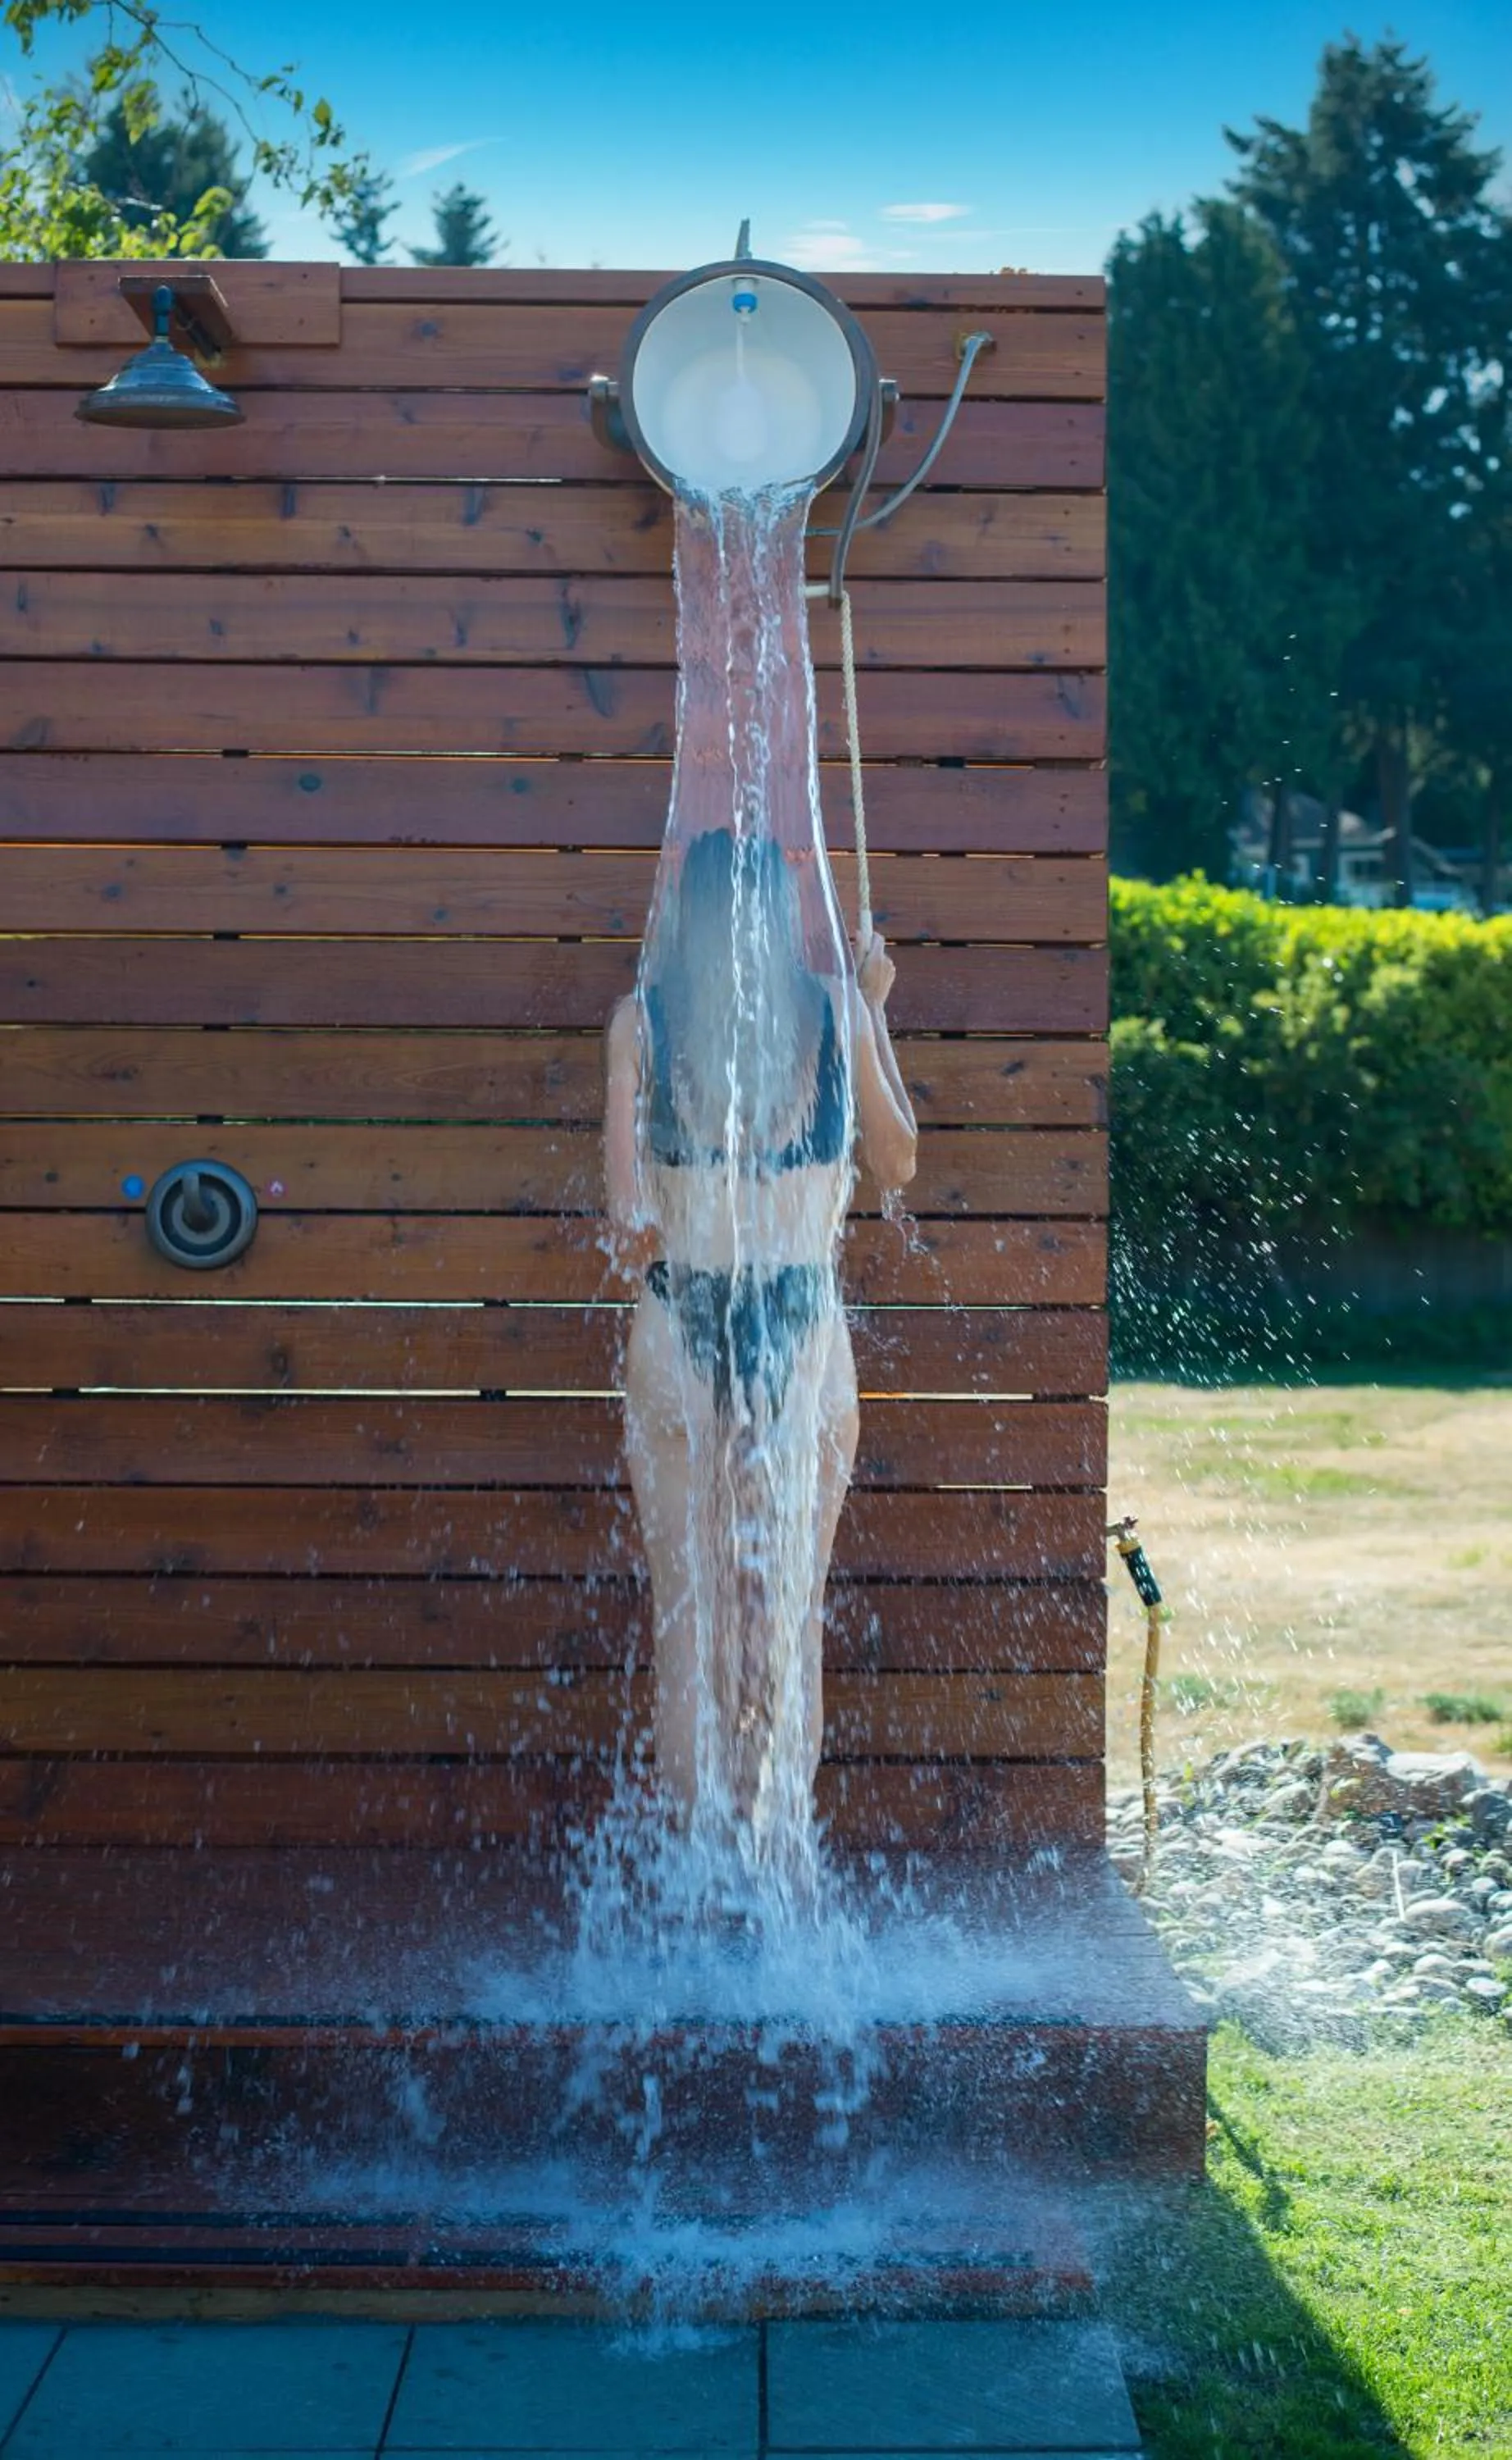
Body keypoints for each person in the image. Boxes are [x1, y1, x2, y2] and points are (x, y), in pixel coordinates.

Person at [603, 825, 917, 1832]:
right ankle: (781, 1870)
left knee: (689, 1619)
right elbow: (898, 1163)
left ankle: (695, 1887)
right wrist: (871, 1013)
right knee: (786, 1619)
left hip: (680, 1313)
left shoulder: (639, 1024)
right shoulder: (833, 1007)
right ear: (780, 916)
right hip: (803, 1322)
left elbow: (624, 1213)